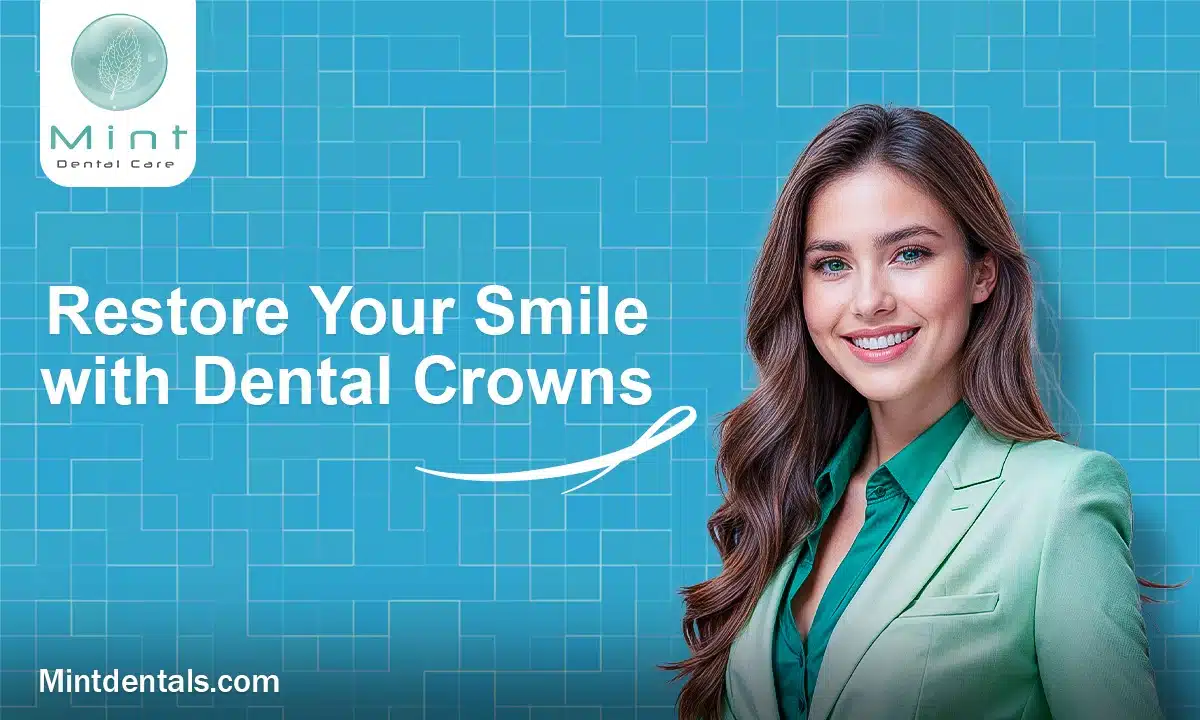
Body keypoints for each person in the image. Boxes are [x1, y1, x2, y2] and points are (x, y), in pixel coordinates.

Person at [661, 104, 1167, 720]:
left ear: (981, 272)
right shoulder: (783, 505)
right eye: (832, 265)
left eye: (909, 254)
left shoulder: (1059, 500)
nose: (870, 300)